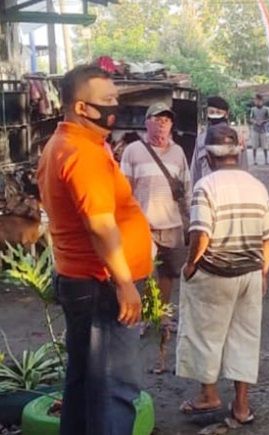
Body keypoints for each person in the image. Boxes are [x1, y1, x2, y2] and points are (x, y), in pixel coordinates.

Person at [37, 65, 152, 435]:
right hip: (101, 284)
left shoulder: (67, 143)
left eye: (116, 98)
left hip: (82, 280)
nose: (114, 106)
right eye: (107, 100)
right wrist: (124, 283)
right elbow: (101, 225)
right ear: (82, 108)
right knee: (114, 387)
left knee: (85, 382)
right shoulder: (82, 154)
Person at [176, 123, 269, 424]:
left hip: (214, 273)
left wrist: (191, 263)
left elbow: (201, 234)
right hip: (250, 273)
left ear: (207, 155)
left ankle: (209, 395)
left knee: (206, 333)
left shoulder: (205, 186)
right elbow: (268, 238)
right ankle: (242, 406)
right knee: (245, 337)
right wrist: (264, 272)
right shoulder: (256, 185)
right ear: (237, 152)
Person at [120, 102, 192, 341]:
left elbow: (186, 188)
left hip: (171, 224)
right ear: (146, 122)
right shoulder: (133, 150)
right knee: (142, 274)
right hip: (142, 225)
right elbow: (124, 189)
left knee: (168, 274)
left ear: (171, 125)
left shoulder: (178, 152)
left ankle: (161, 315)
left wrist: (190, 217)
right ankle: (141, 316)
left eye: (166, 120)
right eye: (157, 119)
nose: (162, 124)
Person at [191, 96, 248, 185]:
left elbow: (244, 168)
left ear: (226, 114)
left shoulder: (238, 138)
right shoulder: (201, 139)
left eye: (218, 112)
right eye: (212, 112)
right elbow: (195, 171)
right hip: (207, 190)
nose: (215, 116)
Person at [249, 93, 269, 165]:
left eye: (258, 100)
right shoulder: (253, 109)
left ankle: (266, 160)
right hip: (255, 129)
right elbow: (250, 119)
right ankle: (254, 160)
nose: (256, 102)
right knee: (254, 146)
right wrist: (255, 122)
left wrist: (263, 121)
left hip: (263, 129)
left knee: (265, 146)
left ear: (261, 101)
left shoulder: (266, 109)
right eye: (255, 100)